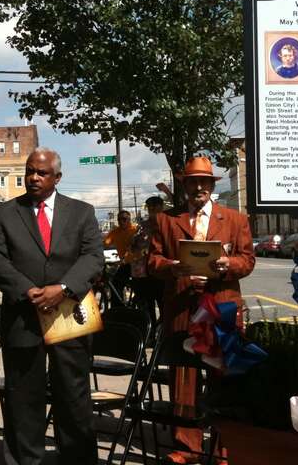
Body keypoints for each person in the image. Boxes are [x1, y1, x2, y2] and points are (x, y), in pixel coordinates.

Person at [0, 147, 104, 465]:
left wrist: (62, 289)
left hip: (69, 317)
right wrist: (29, 291)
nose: (33, 178)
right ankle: (26, 460)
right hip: (23, 318)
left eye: (42, 173)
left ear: (57, 177)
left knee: (74, 398)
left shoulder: (82, 212)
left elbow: (93, 257)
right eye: (29, 171)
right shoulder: (6, 214)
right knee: (23, 398)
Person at [148, 156, 255, 464]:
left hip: (221, 309)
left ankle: (224, 449)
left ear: (211, 186)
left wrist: (228, 265)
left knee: (224, 380)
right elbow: (152, 262)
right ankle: (186, 447)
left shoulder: (235, 220)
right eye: (193, 182)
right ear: (184, 186)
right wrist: (173, 267)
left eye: (204, 182)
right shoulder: (167, 220)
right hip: (182, 310)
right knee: (184, 381)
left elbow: (247, 261)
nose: (199, 187)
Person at [128, 196, 166, 320]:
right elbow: (132, 247)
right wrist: (137, 251)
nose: (152, 209)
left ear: (162, 207)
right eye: (150, 207)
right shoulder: (142, 226)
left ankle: (163, 334)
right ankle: (150, 334)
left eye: (155, 206)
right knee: (146, 309)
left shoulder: (168, 224)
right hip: (142, 273)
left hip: (162, 272)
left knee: (164, 306)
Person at [103, 209, 138, 306]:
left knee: (140, 288)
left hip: (137, 263)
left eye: (124, 219)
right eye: (119, 219)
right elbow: (105, 243)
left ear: (129, 219)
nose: (121, 221)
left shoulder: (135, 230)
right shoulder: (115, 232)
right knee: (116, 284)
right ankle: (118, 309)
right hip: (125, 263)